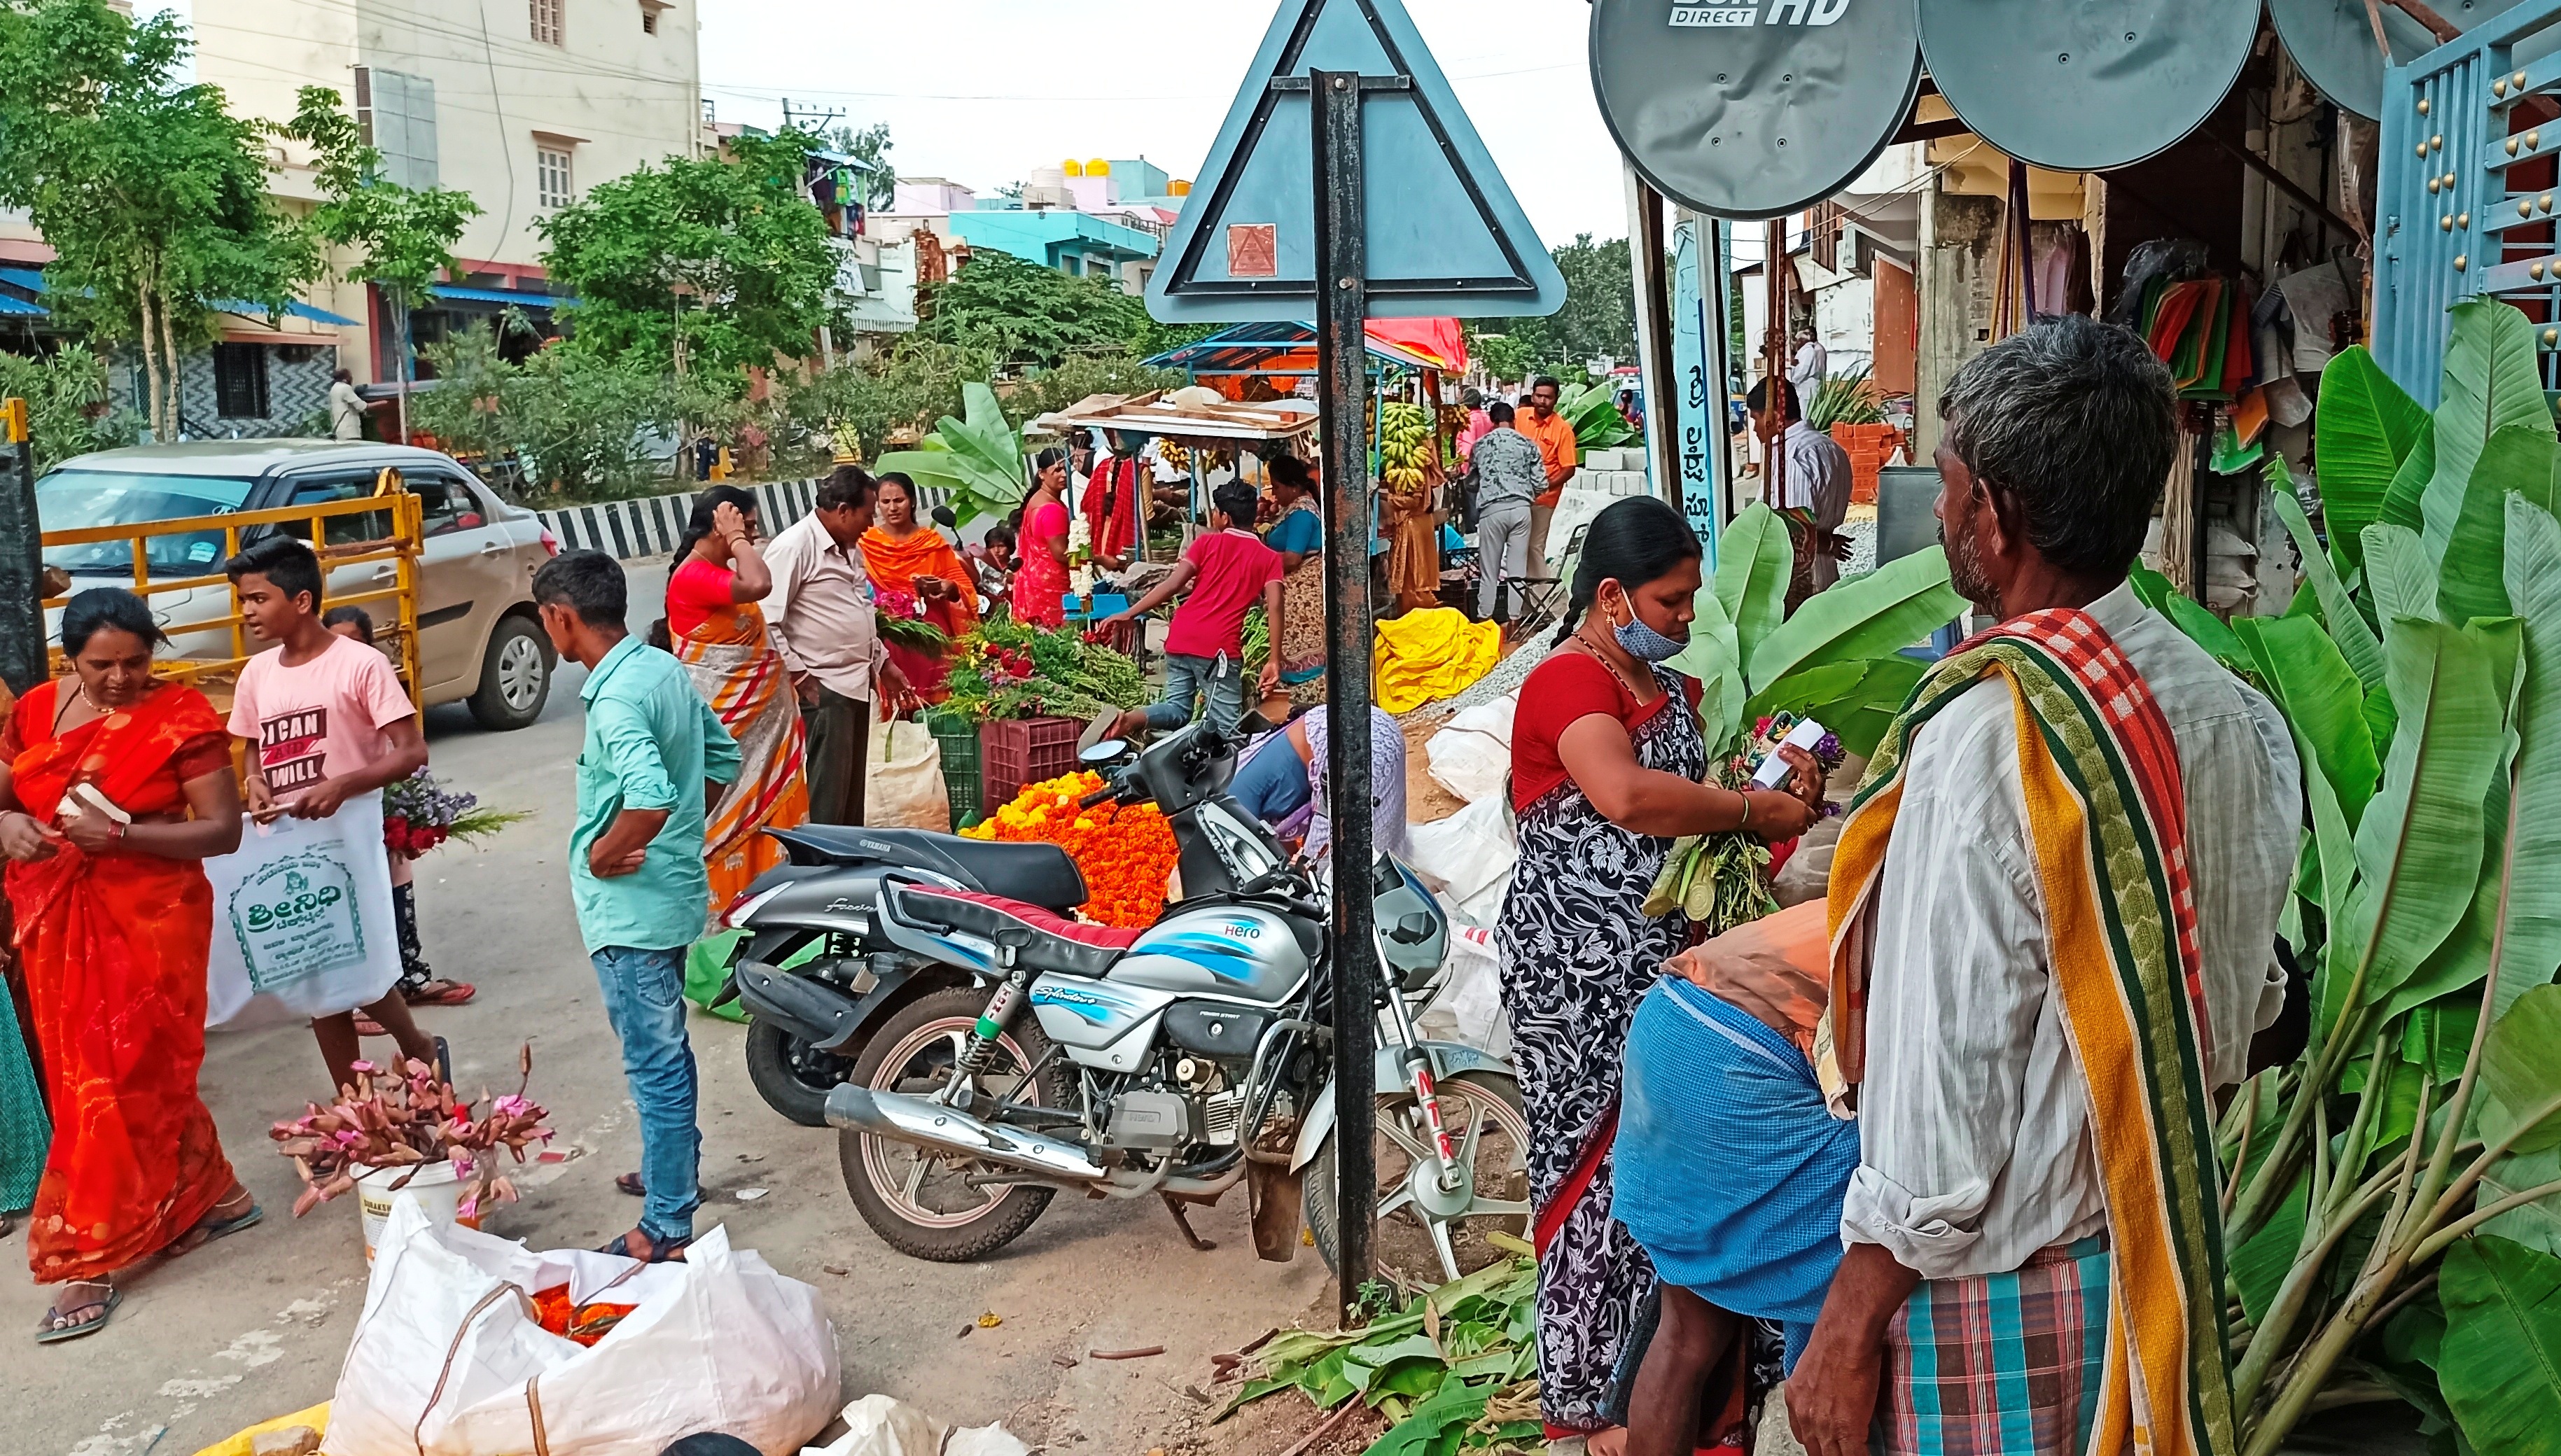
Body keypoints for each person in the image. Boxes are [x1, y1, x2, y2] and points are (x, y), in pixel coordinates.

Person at [1786, 316, 2299, 1456]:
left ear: (1997, 515)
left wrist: (1847, 1320)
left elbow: (1936, 1099)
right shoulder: (2225, 711)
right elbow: (2251, 1003)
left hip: (1997, 1301)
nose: (1946, 514)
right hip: (2151, 1260)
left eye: (1955, 487)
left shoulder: (1992, 738)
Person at [1495, 496, 1823, 1447]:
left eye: (1688, 603)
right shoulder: (1566, 682)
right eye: (1671, 602)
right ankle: (1594, 1400)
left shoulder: (1664, 691)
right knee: (1599, 1175)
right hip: (1577, 977)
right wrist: (1745, 811)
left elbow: (1691, 834)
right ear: (1609, 595)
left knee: (1678, 1170)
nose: (1685, 621)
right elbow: (1628, 798)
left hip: (1666, 970)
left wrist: (1776, 795)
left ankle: (1690, 1397)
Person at [2, 589, 261, 1341]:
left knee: (113, 1079)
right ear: (68, 659)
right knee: (106, 1074)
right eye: (101, 665)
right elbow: (4, 790)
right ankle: (213, 1194)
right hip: (55, 916)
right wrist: (7, 821)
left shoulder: (181, 718)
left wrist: (117, 841)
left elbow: (222, 831)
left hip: (152, 916)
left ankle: (87, 1255)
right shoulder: (36, 711)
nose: (120, 679)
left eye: (136, 662)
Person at [535, 550, 741, 1264]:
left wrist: (610, 849)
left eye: (544, 618)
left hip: (632, 909)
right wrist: (681, 827)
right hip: (668, 891)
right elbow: (721, 760)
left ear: (562, 617)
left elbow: (649, 796)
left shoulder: (620, 695)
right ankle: (669, 1176)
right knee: (666, 1051)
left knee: (654, 1060)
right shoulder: (657, 667)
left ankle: (666, 1223)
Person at [223, 537, 449, 1094]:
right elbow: (252, 746)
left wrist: (344, 784)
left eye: (258, 598)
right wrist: (254, 782)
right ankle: (357, 1104)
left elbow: (410, 750)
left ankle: (415, 1045)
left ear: (301, 601)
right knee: (313, 970)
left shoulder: (360, 665)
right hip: (285, 842)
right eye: (243, 600)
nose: (247, 611)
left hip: (347, 840)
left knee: (357, 964)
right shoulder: (256, 674)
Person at [664, 486, 807, 921]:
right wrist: (738, 539)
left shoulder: (717, 571)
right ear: (720, 525)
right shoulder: (692, 576)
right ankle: (727, 920)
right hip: (734, 733)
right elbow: (760, 583)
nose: (754, 533)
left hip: (768, 733)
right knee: (729, 818)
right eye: (747, 523)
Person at [762, 465, 911, 827]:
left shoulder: (849, 548)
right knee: (827, 797)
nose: (869, 525)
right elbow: (767, 619)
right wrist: (800, 675)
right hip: (824, 688)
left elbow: (861, 608)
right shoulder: (794, 547)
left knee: (850, 796)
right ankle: (820, 875)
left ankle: (846, 872)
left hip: (857, 684)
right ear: (843, 510)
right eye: (866, 514)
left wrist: (883, 663)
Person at [1096, 482, 1284, 740]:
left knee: (1177, 709)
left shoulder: (1205, 544)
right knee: (1226, 729)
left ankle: (1131, 719)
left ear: (1225, 517)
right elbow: (1274, 605)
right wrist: (1274, 659)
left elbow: (1173, 584)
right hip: (1218, 648)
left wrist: (1129, 613)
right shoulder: (1269, 557)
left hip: (1181, 636)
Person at [861, 473, 981, 700]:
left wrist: (949, 588)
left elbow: (964, 590)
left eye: (899, 500)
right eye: (886, 502)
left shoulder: (931, 543)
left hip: (931, 637)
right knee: (900, 708)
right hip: (891, 638)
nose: (893, 508)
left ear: (913, 501)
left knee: (938, 703)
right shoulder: (867, 544)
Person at [1747, 377, 1854, 615]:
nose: (1755, 429)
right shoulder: (1832, 448)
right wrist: (1828, 543)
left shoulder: (1790, 456)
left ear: (1774, 415)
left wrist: (1825, 543)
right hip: (1826, 573)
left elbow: (1794, 531)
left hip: (1800, 583)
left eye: (1756, 419)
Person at [1470, 402, 1547, 624]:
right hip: (1522, 510)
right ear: (1513, 420)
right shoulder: (1528, 444)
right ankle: (1514, 622)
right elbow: (1541, 483)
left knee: (1489, 571)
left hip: (1492, 511)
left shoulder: (1481, 445)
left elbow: (1472, 481)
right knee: (1517, 570)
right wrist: (1523, 492)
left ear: (1492, 422)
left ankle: (1485, 620)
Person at [1263, 456, 1328, 706]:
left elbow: (1292, 559)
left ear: (1292, 486)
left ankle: (1305, 700)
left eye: (1277, 487)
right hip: (1295, 586)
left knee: (1301, 641)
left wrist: (1261, 560)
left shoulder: (1302, 512)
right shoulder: (1295, 509)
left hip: (1303, 592)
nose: (1275, 494)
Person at [1514, 377, 1579, 572]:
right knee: (1517, 547)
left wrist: (1543, 485)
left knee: (1534, 547)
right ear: (1532, 396)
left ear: (1556, 399)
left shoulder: (1563, 430)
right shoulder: (1519, 416)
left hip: (1544, 499)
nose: (1543, 401)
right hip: (1516, 495)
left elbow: (1569, 469)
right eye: (1539, 396)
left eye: (1548, 397)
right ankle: (1520, 596)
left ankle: (1540, 596)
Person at [1013, 449, 1073, 629]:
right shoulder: (1051, 509)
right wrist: (1098, 559)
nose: (1064, 475)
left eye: (1066, 469)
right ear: (1042, 474)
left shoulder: (1037, 499)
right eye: (1057, 470)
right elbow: (1061, 554)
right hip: (1051, 589)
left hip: (1036, 583)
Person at [1082, 432, 1149, 568]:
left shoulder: (1102, 467)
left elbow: (1086, 505)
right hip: (1125, 548)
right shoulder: (1141, 470)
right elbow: (1148, 516)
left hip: (1100, 542)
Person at [970, 524, 1017, 618]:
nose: (996, 550)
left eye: (1001, 546)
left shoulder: (1018, 568)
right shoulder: (983, 569)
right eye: (992, 546)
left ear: (1010, 547)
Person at [1787, 328, 1827, 398]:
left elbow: (1804, 370)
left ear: (1801, 340)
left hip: (1808, 387)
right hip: (1804, 386)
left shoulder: (1810, 351)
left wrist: (1793, 380)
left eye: (1797, 341)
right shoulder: (1805, 351)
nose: (1796, 344)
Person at [328, 368, 367, 441]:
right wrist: (383, 403)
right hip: (350, 432)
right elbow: (362, 406)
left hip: (340, 431)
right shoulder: (345, 388)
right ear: (346, 378)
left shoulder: (334, 389)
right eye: (350, 376)